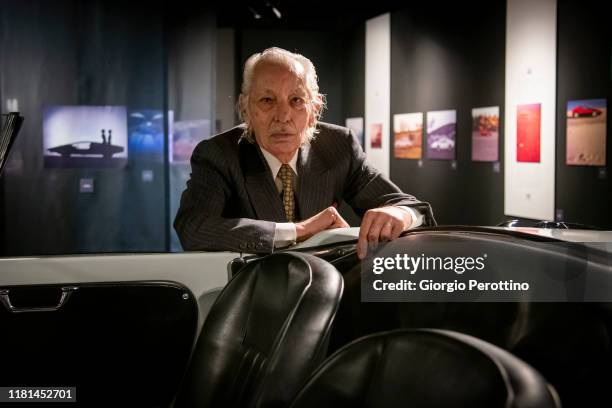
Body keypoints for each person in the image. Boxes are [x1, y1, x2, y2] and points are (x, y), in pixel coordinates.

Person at [174, 47, 434, 259]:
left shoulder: (339, 146)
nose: (283, 116)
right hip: (250, 294)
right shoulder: (219, 154)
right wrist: (297, 231)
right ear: (245, 108)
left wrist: (400, 214)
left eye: (297, 100)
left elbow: (410, 206)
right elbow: (193, 228)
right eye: (267, 100)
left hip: (323, 292)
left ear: (315, 109)